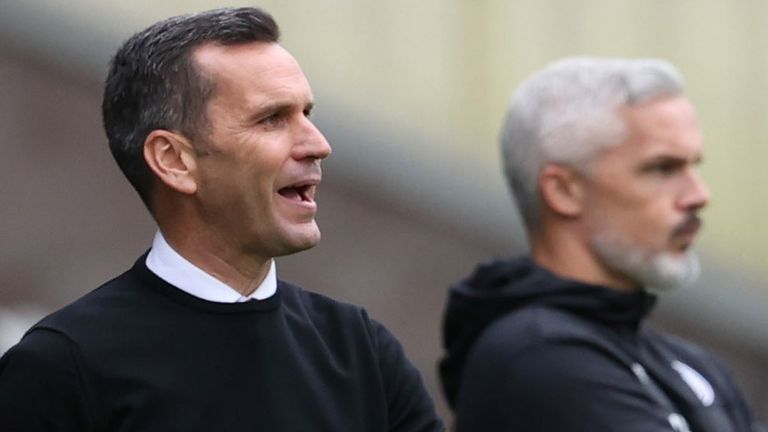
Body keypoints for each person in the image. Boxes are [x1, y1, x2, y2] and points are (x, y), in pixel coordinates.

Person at [0, 7, 443, 431]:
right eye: (271, 119)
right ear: (174, 160)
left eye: (305, 114)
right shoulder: (62, 369)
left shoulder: (361, 350)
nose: (318, 144)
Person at [439, 57, 758, 431]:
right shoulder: (539, 355)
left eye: (694, 166)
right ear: (564, 191)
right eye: (662, 168)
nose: (699, 195)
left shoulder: (689, 365)